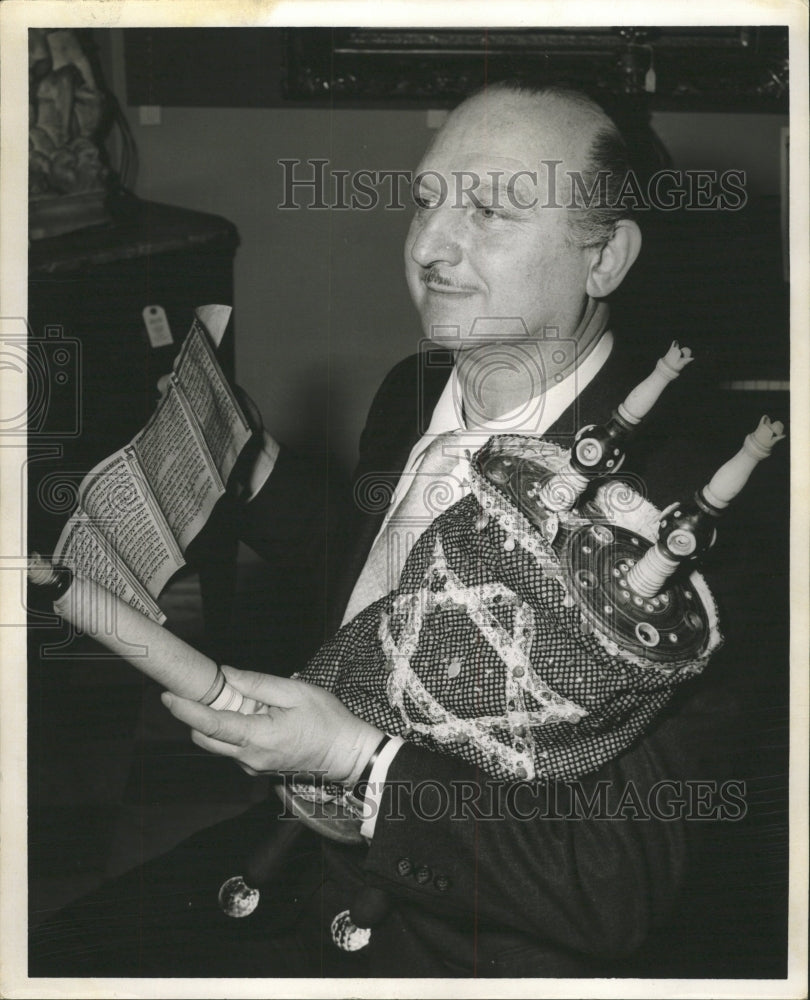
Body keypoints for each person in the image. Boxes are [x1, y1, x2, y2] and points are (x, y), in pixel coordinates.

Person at [30, 82, 755, 979]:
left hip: (466, 934)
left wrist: (355, 761)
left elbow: (611, 883)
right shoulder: (415, 387)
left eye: (490, 210)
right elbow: (389, 583)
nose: (430, 247)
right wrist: (252, 468)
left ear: (605, 259)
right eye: (426, 199)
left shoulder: (690, 522)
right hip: (290, 857)